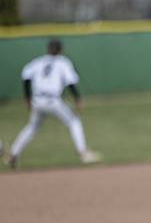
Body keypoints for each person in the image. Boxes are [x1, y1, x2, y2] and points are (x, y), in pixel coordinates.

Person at [6, 39, 101, 168]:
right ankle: (82, 152)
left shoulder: (38, 61)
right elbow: (71, 82)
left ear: (48, 49)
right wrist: (77, 99)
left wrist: (27, 98)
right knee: (74, 121)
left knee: (32, 127)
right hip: (52, 100)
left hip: (37, 100)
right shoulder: (63, 62)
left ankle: (14, 154)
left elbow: (26, 77)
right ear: (60, 50)